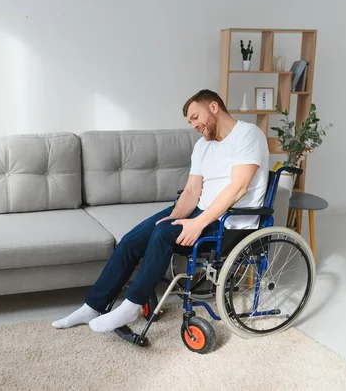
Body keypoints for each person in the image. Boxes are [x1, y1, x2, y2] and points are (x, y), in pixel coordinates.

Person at [52, 89, 269, 333]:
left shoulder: (248, 134)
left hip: (231, 223)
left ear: (214, 107)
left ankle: (131, 306)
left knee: (164, 233)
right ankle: (92, 306)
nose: (194, 125)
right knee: (133, 239)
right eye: (190, 121)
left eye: (196, 117)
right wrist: (176, 216)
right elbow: (190, 192)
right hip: (201, 211)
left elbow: (238, 188)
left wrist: (197, 224)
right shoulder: (202, 146)